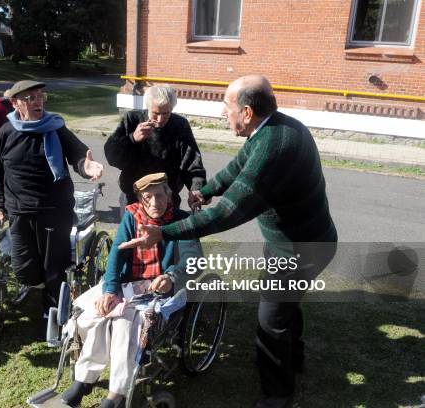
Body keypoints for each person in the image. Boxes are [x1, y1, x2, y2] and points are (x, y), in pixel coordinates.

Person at [119, 75, 338, 408]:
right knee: (284, 307)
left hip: (302, 248)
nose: (223, 112)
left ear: (247, 112)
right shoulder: (271, 129)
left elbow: (228, 214)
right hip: (293, 242)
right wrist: (203, 191)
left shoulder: (274, 148)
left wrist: (165, 231)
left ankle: (277, 395)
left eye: (227, 105)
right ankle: (294, 359)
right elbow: (237, 168)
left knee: (271, 320)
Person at [60, 173, 199, 408]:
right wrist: (110, 290)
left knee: (122, 323)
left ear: (169, 195)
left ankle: (116, 394)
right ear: (140, 200)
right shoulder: (132, 217)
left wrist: (171, 275)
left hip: (165, 288)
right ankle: (85, 380)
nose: (155, 202)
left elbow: (193, 259)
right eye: (148, 197)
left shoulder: (182, 220)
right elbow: (117, 253)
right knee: (95, 314)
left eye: (159, 195)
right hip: (131, 284)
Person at [0, 80, 104, 318]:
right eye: (30, 98)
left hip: (53, 209)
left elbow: (78, 156)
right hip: (19, 210)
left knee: (54, 267)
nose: (38, 102)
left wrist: (88, 166)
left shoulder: (56, 128)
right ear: (15, 103)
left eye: (41, 96)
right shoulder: (6, 132)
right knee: (24, 269)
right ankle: (39, 290)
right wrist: (1, 207)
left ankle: (52, 314)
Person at [104, 85, 206, 210]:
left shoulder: (179, 125)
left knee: (168, 230)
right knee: (132, 229)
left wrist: (197, 188)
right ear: (147, 107)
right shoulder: (132, 120)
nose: (160, 119)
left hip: (167, 198)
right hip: (134, 197)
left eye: (166, 113)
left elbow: (191, 161)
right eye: (156, 113)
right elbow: (111, 156)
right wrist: (132, 139)